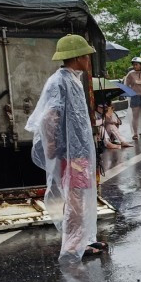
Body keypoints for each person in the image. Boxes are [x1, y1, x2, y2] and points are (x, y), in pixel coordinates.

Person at [26, 34, 107, 260]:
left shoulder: (71, 78)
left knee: (80, 196)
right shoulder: (60, 81)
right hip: (69, 154)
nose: (89, 59)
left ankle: (84, 238)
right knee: (75, 199)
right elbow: (49, 116)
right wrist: (53, 147)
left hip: (78, 152)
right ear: (78, 57)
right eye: (86, 55)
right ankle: (73, 246)